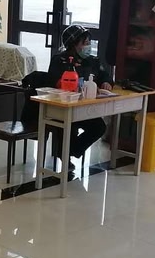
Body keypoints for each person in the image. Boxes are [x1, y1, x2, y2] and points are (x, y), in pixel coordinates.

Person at [47, 24, 113, 159]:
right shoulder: (59, 60)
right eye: (85, 43)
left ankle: (72, 151)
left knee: (99, 127)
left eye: (89, 42)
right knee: (67, 126)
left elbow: (105, 75)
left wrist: (106, 83)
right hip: (62, 108)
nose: (88, 46)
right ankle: (65, 154)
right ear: (73, 45)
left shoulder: (92, 61)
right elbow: (52, 81)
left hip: (84, 108)